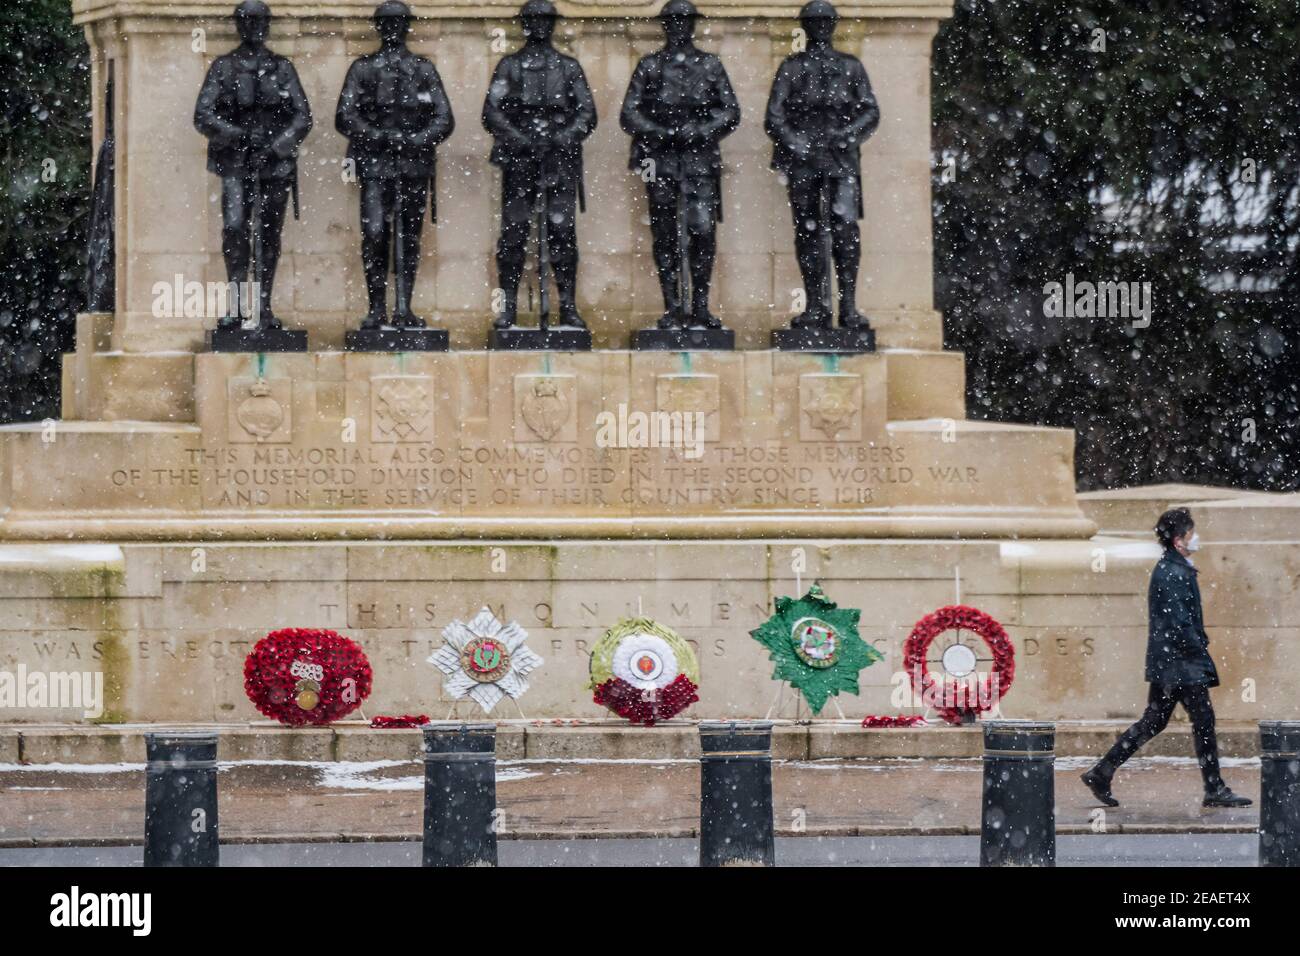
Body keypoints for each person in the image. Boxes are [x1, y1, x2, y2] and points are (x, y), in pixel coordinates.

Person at [1081, 508, 1252, 808]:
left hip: (1172, 664)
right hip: (1181, 666)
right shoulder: (1173, 572)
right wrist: (1198, 648)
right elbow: (1179, 624)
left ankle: (1102, 771)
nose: (1194, 538)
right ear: (1178, 540)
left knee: (1154, 721)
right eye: (1189, 533)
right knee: (1202, 722)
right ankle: (1214, 788)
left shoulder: (1174, 568)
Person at [620, 0, 740, 330]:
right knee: (665, 234)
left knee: (701, 231)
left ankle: (700, 304)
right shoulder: (650, 65)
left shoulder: (710, 65)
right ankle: (673, 306)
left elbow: (730, 112)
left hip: (699, 160)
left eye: (684, 22)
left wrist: (700, 130)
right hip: (660, 160)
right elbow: (629, 114)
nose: (679, 28)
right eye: (673, 22)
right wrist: (662, 132)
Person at [335, 1, 455, 330]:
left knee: (408, 237)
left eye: (398, 23)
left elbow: (444, 119)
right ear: (379, 28)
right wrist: (378, 135)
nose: (392, 29)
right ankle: (376, 308)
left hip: (413, 165)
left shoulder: (423, 69)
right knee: (375, 234)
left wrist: (416, 140)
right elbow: (345, 116)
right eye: (386, 23)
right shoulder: (363, 68)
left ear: (406, 27)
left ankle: (404, 307)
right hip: (375, 165)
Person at [194, 1, 312, 329]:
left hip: (274, 166)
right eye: (247, 21)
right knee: (234, 230)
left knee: (268, 235)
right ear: (239, 25)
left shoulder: (281, 68)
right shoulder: (224, 67)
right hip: (235, 163)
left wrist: (275, 147)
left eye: (260, 21)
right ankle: (235, 303)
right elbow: (203, 115)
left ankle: (262, 305)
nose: (254, 27)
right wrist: (239, 136)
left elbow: (302, 117)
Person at [764, 0, 878, 331]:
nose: (821, 28)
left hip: (841, 161)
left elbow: (870, 110)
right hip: (803, 163)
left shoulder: (851, 67)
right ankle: (816, 306)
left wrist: (846, 135)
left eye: (826, 22)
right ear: (805, 27)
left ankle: (849, 307)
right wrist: (797, 144)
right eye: (814, 22)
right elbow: (774, 116)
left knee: (845, 230)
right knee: (809, 231)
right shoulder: (792, 67)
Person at [482, 0, 596, 330]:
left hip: (558, 161)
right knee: (513, 235)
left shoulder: (568, 67)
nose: (540, 26)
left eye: (546, 21)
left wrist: (561, 137)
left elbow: (587, 113)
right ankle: (508, 309)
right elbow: (492, 112)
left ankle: (569, 307)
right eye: (534, 20)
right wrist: (521, 138)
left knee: (562, 233)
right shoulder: (509, 66)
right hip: (520, 161)